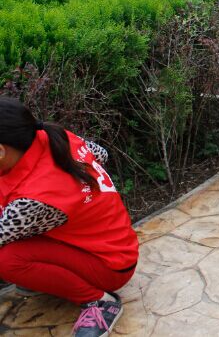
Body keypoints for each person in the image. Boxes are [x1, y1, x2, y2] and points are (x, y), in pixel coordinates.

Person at [0, 97, 139, 337]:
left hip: (109, 266)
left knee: (7, 261)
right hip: (110, 244)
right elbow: (101, 154)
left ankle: (100, 301)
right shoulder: (51, 137)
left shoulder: (35, 199)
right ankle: (49, 276)